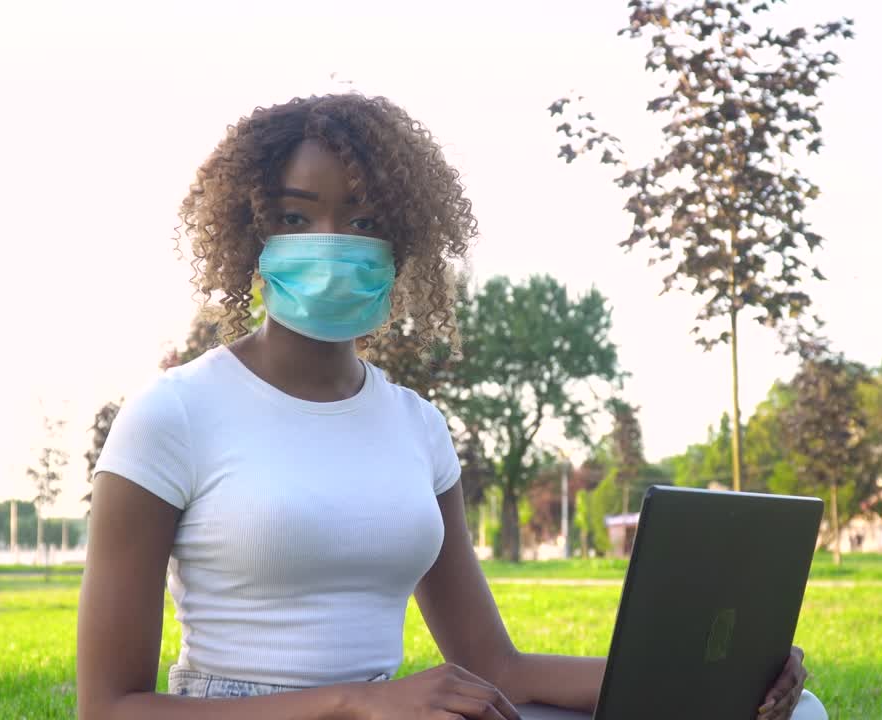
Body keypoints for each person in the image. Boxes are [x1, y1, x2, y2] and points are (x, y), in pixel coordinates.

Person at [75, 94, 825, 720]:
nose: (333, 243)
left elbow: (495, 665)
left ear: (406, 246)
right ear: (252, 233)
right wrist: (351, 703)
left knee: (807, 714)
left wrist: (716, 679)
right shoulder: (173, 414)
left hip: (389, 713)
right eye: (298, 219)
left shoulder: (415, 426)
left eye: (366, 223)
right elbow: (109, 707)